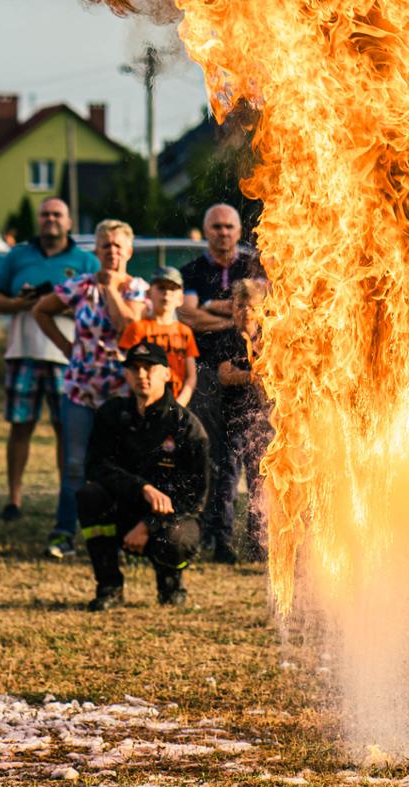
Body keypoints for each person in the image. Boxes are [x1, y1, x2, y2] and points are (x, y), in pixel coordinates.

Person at [36, 219, 149, 558]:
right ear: (96, 250)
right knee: (74, 464)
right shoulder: (80, 286)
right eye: (106, 245)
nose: (112, 250)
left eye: (118, 245)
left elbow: (129, 328)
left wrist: (112, 288)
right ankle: (63, 533)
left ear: (128, 251)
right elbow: (41, 310)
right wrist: (66, 347)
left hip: (120, 393)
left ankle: (118, 536)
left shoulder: (136, 289)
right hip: (80, 391)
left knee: (121, 465)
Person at [0, 198, 97, 524]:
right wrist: (21, 303)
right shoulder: (18, 255)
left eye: (57, 214)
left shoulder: (85, 260)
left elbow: (94, 305)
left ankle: (68, 498)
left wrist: (56, 304)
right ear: (38, 220)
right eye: (45, 215)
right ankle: (14, 498)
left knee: (67, 430)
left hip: (66, 356)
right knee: (20, 427)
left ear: (70, 221)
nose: (50, 220)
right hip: (23, 352)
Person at [78, 342, 211, 611]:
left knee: (177, 537)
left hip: (170, 517)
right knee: (90, 496)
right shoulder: (112, 414)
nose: (142, 375)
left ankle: (170, 583)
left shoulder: (186, 426)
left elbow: (194, 495)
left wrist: (149, 525)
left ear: (166, 373)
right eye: (134, 368)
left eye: (149, 368)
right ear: (126, 375)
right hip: (124, 507)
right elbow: (96, 467)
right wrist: (142, 488)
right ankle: (110, 587)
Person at [178, 204, 265, 563]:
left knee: (259, 471)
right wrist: (229, 320)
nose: (223, 232)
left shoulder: (252, 267)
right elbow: (188, 315)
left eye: (229, 226)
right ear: (206, 230)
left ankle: (259, 539)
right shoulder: (194, 271)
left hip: (255, 406)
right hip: (209, 378)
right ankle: (219, 537)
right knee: (221, 465)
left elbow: (265, 303)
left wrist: (212, 307)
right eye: (215, 227)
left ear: (238, 229)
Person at [215, 278, 272, 560]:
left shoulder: (269, 338)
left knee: (259, 484)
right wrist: (251, 376)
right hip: (232, 420)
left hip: (263, 422)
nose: (246, 312)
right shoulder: (228, 339)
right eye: (240, 306)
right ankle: (222, 543)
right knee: (227, 481)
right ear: (233, 309)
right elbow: (224, 375)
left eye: (251, 306)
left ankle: (256, 544)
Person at [119, 268, 200, 406]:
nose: (167, 292)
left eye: (173, 288)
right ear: (149, 293)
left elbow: (191, 376)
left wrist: (180, 404)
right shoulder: (137, 328)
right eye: (161, 287)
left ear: (180, 298)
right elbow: (128, 369)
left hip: (177, 402)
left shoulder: (185, 332)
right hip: (144, 402)